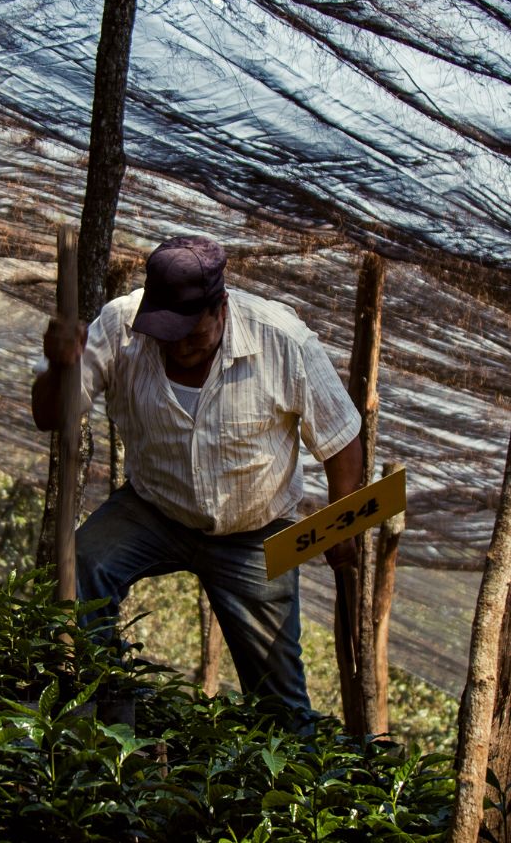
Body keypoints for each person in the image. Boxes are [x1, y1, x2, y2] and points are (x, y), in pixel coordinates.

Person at [32, 235, 363, 717]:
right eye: (167, 331)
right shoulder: (119, 327)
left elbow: (342, 439)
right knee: (82, 563)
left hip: (254, 534)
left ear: (221, 307)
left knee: (280, 697)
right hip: (154, 509)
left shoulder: (282, 340)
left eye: (192, 331)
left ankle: (292, 779)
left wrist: (342, 518)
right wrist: (59, 369)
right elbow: (49, 416)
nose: (180, 345)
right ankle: (89, 718)